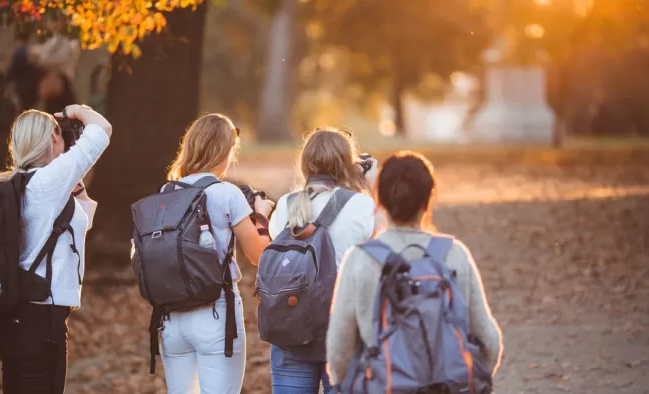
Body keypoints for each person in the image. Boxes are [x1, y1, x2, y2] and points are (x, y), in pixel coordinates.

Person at [326, 150, 503, 386]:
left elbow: (340, 349)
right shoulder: (454, 253)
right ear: (428, 200)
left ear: (378, 200)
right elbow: (489, 340)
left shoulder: (359, 260)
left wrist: (346, 385)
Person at [0, 105, 111, 394]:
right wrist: (76, 110)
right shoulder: (47, 181)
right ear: (53, 139)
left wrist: (75, 183)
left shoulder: (18, 183)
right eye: (60, 136)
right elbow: (102, 129)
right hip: (40, 317)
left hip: (13, 313)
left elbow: (78, 224)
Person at [153, 113, 274, 394]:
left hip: (172, 318)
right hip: (215, 315)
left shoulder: (166, 190)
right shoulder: (226, 193)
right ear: (225, 150)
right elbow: (259, 255)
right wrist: (261, 216)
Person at [265, 127, 379, 394]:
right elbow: (388, 242)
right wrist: (372, 184)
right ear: (347, 164)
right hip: (345, 330)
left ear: (305, 163)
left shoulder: (285, 205)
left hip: (291, 326)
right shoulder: (362, 207)